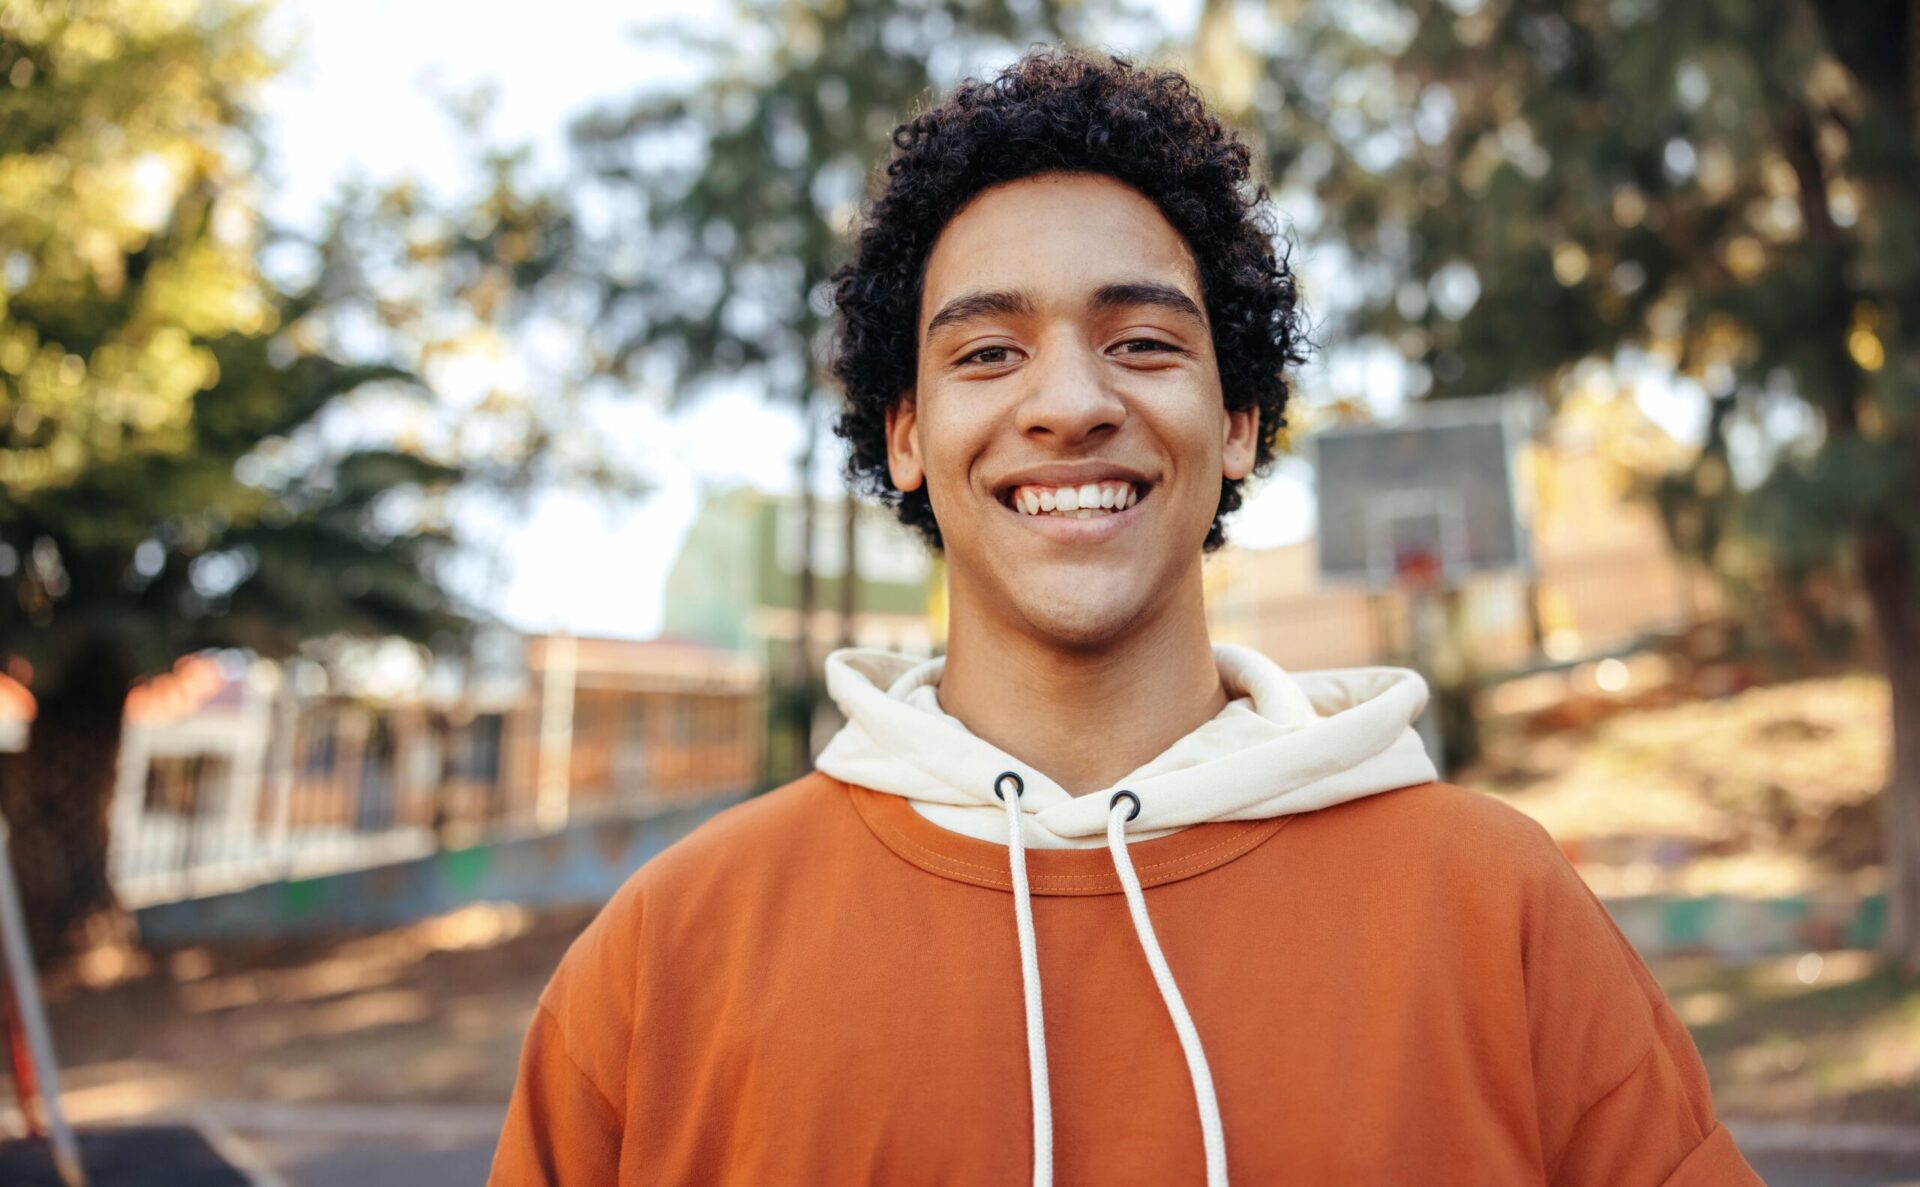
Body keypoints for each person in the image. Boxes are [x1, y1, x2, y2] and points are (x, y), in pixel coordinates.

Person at [488, 47, 1762, 1185]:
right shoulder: (669, 952)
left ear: (1240, 421)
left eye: (1144, 341)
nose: (1068, 402)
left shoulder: (1500, 909)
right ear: (909, 433)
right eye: (987, 352)